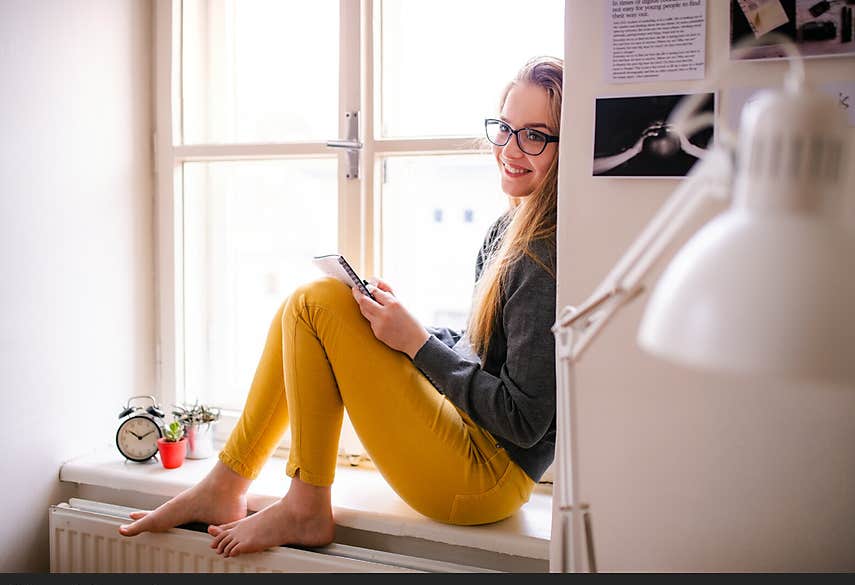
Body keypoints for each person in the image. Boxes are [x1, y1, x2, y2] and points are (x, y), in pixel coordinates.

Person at [119, 56, 562, 558]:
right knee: (304, 306)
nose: (510, 149)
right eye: (504, 128)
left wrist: (415, 343)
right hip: (469, 441)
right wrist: (407, 326)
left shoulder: (545, 254)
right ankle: (227, 484)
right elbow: (484, 351)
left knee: (317, 302)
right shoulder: (508, 231)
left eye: (535, 136)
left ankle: (303, 505)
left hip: (488, 477)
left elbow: (524, 421)